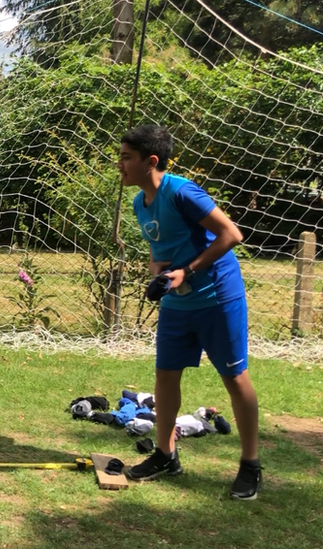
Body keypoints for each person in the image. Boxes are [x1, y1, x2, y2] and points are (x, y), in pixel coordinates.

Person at [118, 124, 262, 500]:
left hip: (218, 298)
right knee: (165, 376)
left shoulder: (181, 191)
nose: (119, 165)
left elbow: (231, 234)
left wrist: (189, 271)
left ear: (151, 161)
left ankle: (250, 465)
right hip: (178, 304)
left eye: (126, 158)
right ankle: (166, 455)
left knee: (235, 378)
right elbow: (158, 250)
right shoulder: (139, 203)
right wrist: (160, 277)